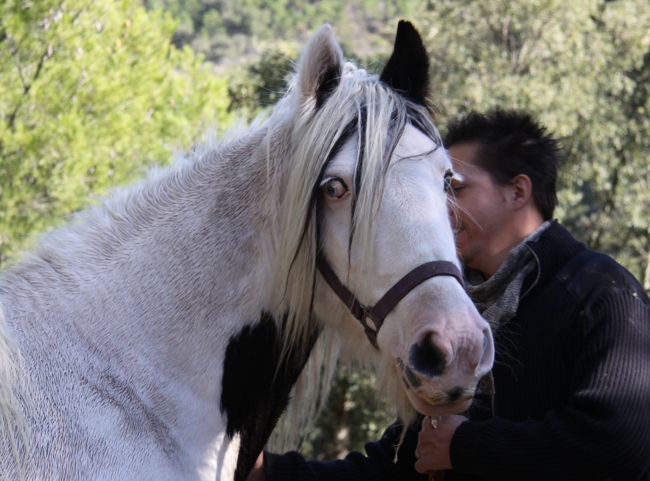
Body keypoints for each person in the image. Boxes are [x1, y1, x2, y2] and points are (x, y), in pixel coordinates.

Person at [249, 110, 650, 481]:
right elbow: (398, 468)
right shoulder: (461, 314)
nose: (440, 207)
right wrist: (269, 472)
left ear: (518, 192)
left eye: (454, 186)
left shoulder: (602, 293)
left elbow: (621, 447)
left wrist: (465, 446)